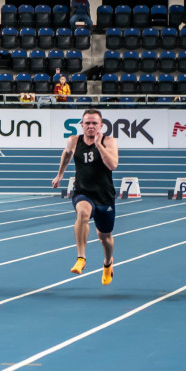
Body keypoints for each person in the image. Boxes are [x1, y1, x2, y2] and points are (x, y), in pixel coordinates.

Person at [51, 109, 120, 284]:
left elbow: (112, 165)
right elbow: (66, 154)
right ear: (81, 125)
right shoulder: (74, 141)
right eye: (87, 123)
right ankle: (81, 258)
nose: (90, 126)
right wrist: (60, 174)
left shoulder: (109, 141)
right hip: (83, 191)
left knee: (105, 237)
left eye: (94, 123)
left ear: (101, 126)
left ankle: (107, 263)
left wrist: (98, 145)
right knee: (82, 213)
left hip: (104, 195)